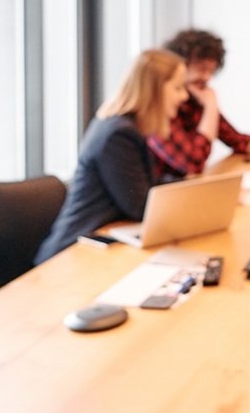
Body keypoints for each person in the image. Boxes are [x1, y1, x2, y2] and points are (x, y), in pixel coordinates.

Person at [34, 49, 187, 263]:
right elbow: (139, 207)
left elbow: (145, 184)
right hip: (72, 255)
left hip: (100, 244)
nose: (184, 96)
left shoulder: (126, 127)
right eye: (178, 88)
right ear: (153, 90)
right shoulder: (118, 135)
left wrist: (189, 187)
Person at [150, 28, 250, 179]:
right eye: (202, 69)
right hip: (165, 194)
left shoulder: (196, 101)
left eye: (211, 71)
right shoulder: (159, 109)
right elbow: (194, 163)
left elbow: (235, 139)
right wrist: (211, 106)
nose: (207, 78)